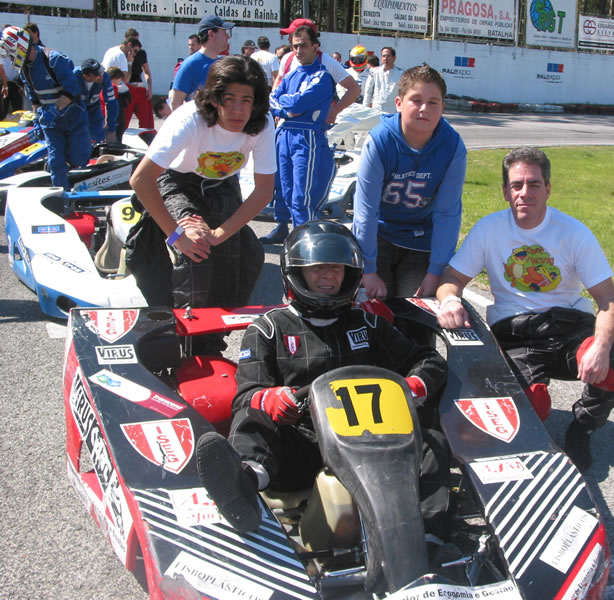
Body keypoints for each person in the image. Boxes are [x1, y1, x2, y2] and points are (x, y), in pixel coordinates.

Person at [195, 220, 449, 534]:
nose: (328, 275)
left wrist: (410, 387)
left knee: (433, 441)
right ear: (297, 273)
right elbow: (246, 396)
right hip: (303, 444)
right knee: (254, 416)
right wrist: (272, 399)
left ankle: (432, 534)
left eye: (335, 268)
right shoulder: (269, 329)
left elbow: (430, 361)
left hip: (374, 440)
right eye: (317, 268)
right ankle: (243, 482)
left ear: (349, 274)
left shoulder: (368, 325)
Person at [436, 147, 614, 471]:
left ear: (548, 189)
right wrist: (450, 300)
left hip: (568, 328)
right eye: (516, 185)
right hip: (515, 333)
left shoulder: (573, 232)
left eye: (534, 184)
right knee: (529, 407)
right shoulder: (489, 229)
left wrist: (600, 346)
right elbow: (452, 278)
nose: (524, 193)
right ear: (505, 191)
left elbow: (609, 301)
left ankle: (582, 428)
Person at [127, 56, 275, 352]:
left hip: (223, 184)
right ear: (214, 98)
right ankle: (183, 339)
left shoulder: (262, 123)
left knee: (248, 255)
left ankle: (212, 337)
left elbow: (262, 193)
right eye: (229, 99)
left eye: (246, 100)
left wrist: (221, 234)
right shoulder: (189, 119)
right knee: (196, 250)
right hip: (177, 180)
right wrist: (176, 235)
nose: (237, 110)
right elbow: (141, 180)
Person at [352, 65, 467, 299]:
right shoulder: (380, 141)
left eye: (433, 102)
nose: (424, 108)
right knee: (374, 311)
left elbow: (447, 214)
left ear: (443, 107)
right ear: (398, 103)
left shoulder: (452, 146)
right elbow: (365, 211)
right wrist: (368, 268)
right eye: (416, 100)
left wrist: (436, 271)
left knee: (418, 313)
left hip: (420, 239)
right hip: (380, 235)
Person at [0, 26, 91, 190]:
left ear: (19, 46)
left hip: (73, 118)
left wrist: (54, 111)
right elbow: (35, 100)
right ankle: (60, 200)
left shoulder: (54, 60)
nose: (10, 58)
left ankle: (81, 188)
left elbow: (72, 91)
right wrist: (37, 119)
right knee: (56, 162)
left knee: (79, 158)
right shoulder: (25, 70)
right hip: (51, 124)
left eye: (10, 52)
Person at [269, 24, 336, 228]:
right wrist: (288, 110)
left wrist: (287, 105)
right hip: (284, 135)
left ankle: (304, 240)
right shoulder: (291, 75)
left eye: (304, 46)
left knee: (301, 196)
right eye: (295, 46)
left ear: (315, 46)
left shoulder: (323, 77)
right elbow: (272, 99)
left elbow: (298, 103)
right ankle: (283, 231)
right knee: (283, 189)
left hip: (306, 137)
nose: (298, 51)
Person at [169, 15, 234, 111]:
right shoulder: (190, 65)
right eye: (224, 32)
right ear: (211, 34)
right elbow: (176, 103)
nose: (228, 36)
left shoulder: (225, 63)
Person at [101, 35, 136, 141]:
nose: (133, 54)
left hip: (102, 120)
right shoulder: (121, 55)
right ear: (129, 45)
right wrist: (130, 61)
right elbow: (126, 79)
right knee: (119, 129)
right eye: (133, 51)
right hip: (111, 118)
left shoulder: (110, 51)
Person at [75, 58, 118, 144]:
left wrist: (111, 129)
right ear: (86, 76)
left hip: (94, 109)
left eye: (101, 72)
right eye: (97, 74)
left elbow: (112, 103)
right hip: (76, 110)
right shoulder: (74, 77)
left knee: (99, 139)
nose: (101, 76)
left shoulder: (105, 77)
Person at [125, 29, 155, 130]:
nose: (135, 44)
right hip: (126, 87)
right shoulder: (121, 53)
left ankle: (148, 140)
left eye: (137, 41)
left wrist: (150, 88)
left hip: (139, 86)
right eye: (133, 41)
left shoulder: (141, 53)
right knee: (123, 120)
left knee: (147, 120)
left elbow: (146, 71)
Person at [363, 46, 403, 113]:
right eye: (383, 56)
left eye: (388, 56)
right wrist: (364, 109)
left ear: (394, 58)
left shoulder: (401, 74)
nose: (385, 58)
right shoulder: (373, 72)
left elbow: (403, 93)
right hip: (376, 108)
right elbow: (368, 92)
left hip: (392, 110)